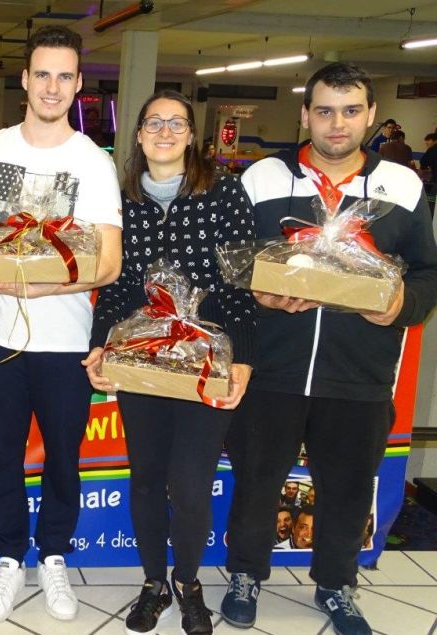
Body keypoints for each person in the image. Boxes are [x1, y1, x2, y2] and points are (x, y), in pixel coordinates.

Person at [220, 62, 437, 635]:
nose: (336, 124)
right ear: (304, 115)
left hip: (361, 369)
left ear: (369, 115)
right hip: (271, 366)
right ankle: (245, 574)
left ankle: (337, 584)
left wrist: (398, 307)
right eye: (323, 110)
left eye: (349, 111)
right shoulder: (263, 177)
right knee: (257, 478)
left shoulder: (401, 186)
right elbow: (228, 265)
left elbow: (427, 274)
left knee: (346, 483)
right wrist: (259, 298)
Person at [0, 25, 123, 624]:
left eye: (65, 76)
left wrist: (44, 285)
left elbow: (108, 264)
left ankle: (53, 555)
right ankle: (8, 557)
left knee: (63, 458)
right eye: (42, 74)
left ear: (78, 85)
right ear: (24, 80)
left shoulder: (92, 163)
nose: (52, 87)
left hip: (67, 342)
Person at [83, 90, 257, 635]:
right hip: (142, 360)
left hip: (208, 358)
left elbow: (242, 283)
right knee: (147, 477)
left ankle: (188, 581)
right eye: (153, 123)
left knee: (189, 482)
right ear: (137, 135)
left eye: (176, 123)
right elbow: (112, 289)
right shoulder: (120, 201)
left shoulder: (226, 193)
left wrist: (243, 361)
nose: (164, 131)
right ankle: (153, 581)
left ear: (191, 135)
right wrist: (100, 345)